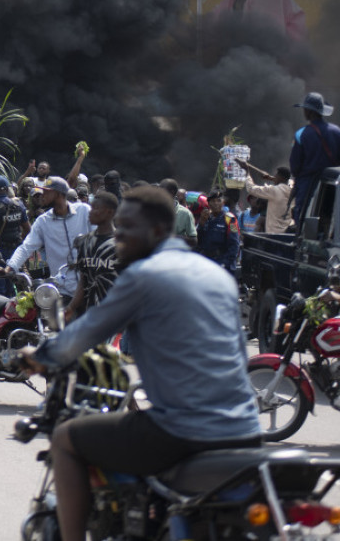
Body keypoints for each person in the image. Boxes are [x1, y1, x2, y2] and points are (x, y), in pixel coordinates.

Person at [22, 186, 261, 541]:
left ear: (158, 231)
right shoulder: (219, 277)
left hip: (182, 431)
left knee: (65, 438)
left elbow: (84, 333)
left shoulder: (144, 275)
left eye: (127, 229)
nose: (118, 237)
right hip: (246, 429)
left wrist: (38, 357)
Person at [1, 177, 93, 301]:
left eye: (46, 192)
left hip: (90, 287)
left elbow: (100, 238)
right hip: (61, 291)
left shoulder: (84, 211)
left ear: (58, 194)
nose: (42, 195)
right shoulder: (43, 221)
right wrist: (10, 267)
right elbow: (26, 247)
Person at [64, 191, 119, 320]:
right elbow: (83, 281)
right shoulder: (84, 242)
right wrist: (70, 308)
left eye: (96, 208)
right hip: (90, 316)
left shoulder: (122, 243)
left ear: (110, 212)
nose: (90, 211)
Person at [289, 92, 340, 224]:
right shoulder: (337, 132)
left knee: (303, 220)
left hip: (308, 184)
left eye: (305, 109)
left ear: (309, 111)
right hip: (332, 185)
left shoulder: (302, 134)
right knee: (330, 219)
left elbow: (295, 166)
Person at [0, 175, 30, 295]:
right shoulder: (19, 205)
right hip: (16, 251)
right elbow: (28, 229)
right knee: (16, 285)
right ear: (7, 189)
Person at [237, 160, 293, 234]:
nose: (274, 177)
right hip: (287, 234)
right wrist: (271, 178)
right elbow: (288, 182)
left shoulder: (274, 190)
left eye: (276, 176)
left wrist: (247, 172)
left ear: (280, 177)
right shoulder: (292, 191)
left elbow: (251, 188)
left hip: (273, 234)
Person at [196, 189, 240, 270]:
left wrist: (224, 264)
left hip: (222, 263)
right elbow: (198, 241)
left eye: (218, 201)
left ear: (222, 203)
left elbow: (234, 245)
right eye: (213, 201)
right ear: (208, 203)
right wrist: (201, 225)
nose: (216, 203)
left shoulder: (230, 219)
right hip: (206, 262)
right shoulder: (205, 217)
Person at [158, 178, 198, 248]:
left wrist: (173, 237)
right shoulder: (155, 211)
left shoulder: (185, 214)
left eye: (162, 192)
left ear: (172, 192)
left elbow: (194, 240)